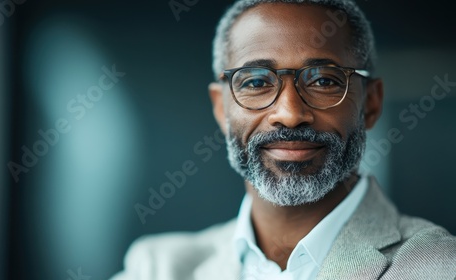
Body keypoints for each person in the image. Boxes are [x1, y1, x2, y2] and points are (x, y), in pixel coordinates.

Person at [110, 0, 456, 279]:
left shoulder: (439, 268)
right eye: (256, 82)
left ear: (371, 104)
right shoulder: (156, 267)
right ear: (221, 109)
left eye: (323, 81)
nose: (290, 114)